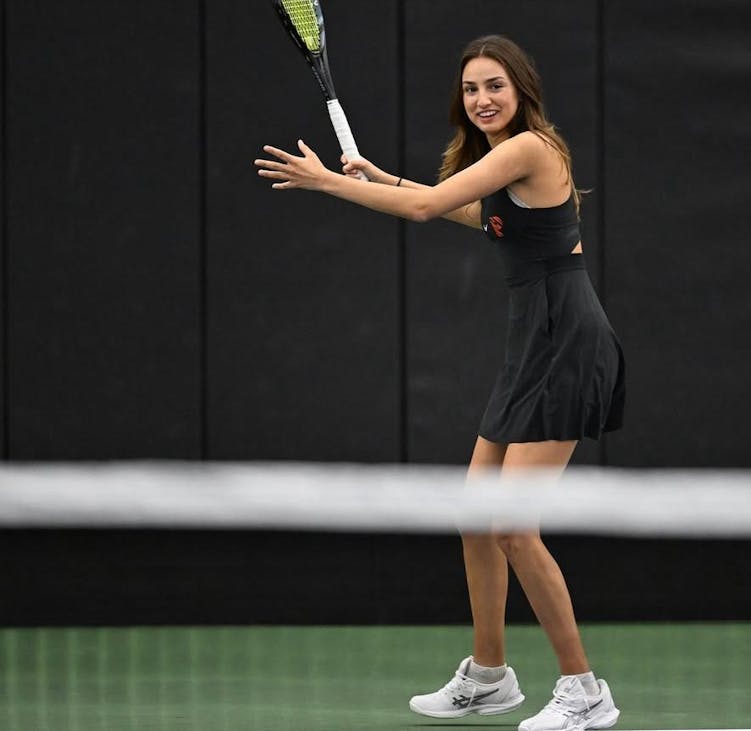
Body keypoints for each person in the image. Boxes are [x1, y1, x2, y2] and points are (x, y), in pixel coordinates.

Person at [255, 34, 625, 731]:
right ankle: (490, 675)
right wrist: (381, 178)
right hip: (533, 343)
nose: (482, 99)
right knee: (477, 517)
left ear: (521, 90)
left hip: (568, 344)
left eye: (495, 86)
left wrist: (326, 181)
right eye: (471, 89)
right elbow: (458, 209)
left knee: (513, 526)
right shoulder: (500, 162)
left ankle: (585, 691)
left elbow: (428, 211)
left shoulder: (529, 148)